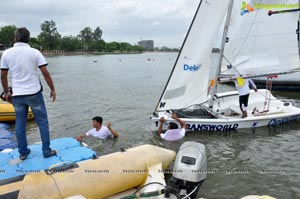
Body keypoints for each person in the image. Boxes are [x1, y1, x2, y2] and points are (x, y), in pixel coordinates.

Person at [1, 27, 57, 160]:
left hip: (18, 95)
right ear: (28, 39)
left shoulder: (7, 53)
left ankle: (23, 153)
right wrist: (52, 89)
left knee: (20, 124)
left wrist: (7, 92)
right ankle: (46, 151)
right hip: (34, 93)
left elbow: (3, 76)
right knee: (42, 122)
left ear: (15, 38)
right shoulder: (35, 52)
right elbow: (45, 73)